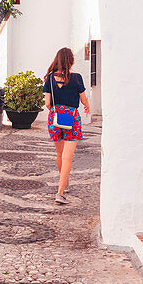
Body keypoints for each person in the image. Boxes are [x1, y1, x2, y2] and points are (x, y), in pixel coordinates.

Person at [43, 47, 89, 205]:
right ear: (71, 61)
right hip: (72, 118)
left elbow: (47, 103)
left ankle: (64, 183)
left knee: (59, 153)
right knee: (67, 157)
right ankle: (60, 193)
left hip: (55, 118)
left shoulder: (49, 78)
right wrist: (87, 106)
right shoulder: (76, 78)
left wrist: (57, 112)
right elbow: (83, 99)